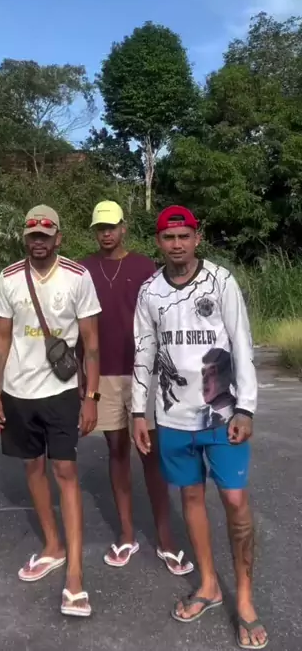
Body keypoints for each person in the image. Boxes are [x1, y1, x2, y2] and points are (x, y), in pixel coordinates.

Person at [132, 206, 268, 650]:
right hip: (173, 416)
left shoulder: (221, 281)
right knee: (190, 497)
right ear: (158, 241)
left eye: (184, 236)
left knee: (234, 500)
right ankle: (209, 585)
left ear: (197, 238)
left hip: (223, 415)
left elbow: (242, 342)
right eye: (168, 237)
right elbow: (144, 352)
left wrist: (246, 408)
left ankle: (244, 600)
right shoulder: (150, 291)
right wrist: (138, 413)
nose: (177, 244)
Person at [0, 205, 101, 618]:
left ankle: (76, 574)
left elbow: (92, 342)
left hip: (62, 391)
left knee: (65, 471)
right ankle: (53, 545)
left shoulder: (77, 276)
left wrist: (92, 397)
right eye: (32, 235)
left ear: (58, 238)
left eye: (46, 235)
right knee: (32, 468)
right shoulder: (8, 277)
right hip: (18, 392)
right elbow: (1, 338)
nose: (39, 241)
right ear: (25, 238)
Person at [79, 200, 193, 574]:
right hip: (103, 374)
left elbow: (165, 316)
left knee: (151, 454)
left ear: (123, 228)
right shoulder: (83, 269)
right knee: (116, 450)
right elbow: (77, 326)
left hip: (146, 373)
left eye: (111, 227)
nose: (106, 233)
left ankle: (165, 538)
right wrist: (83, 380)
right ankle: (127, 534)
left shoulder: (145, 267)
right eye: (100, 228)